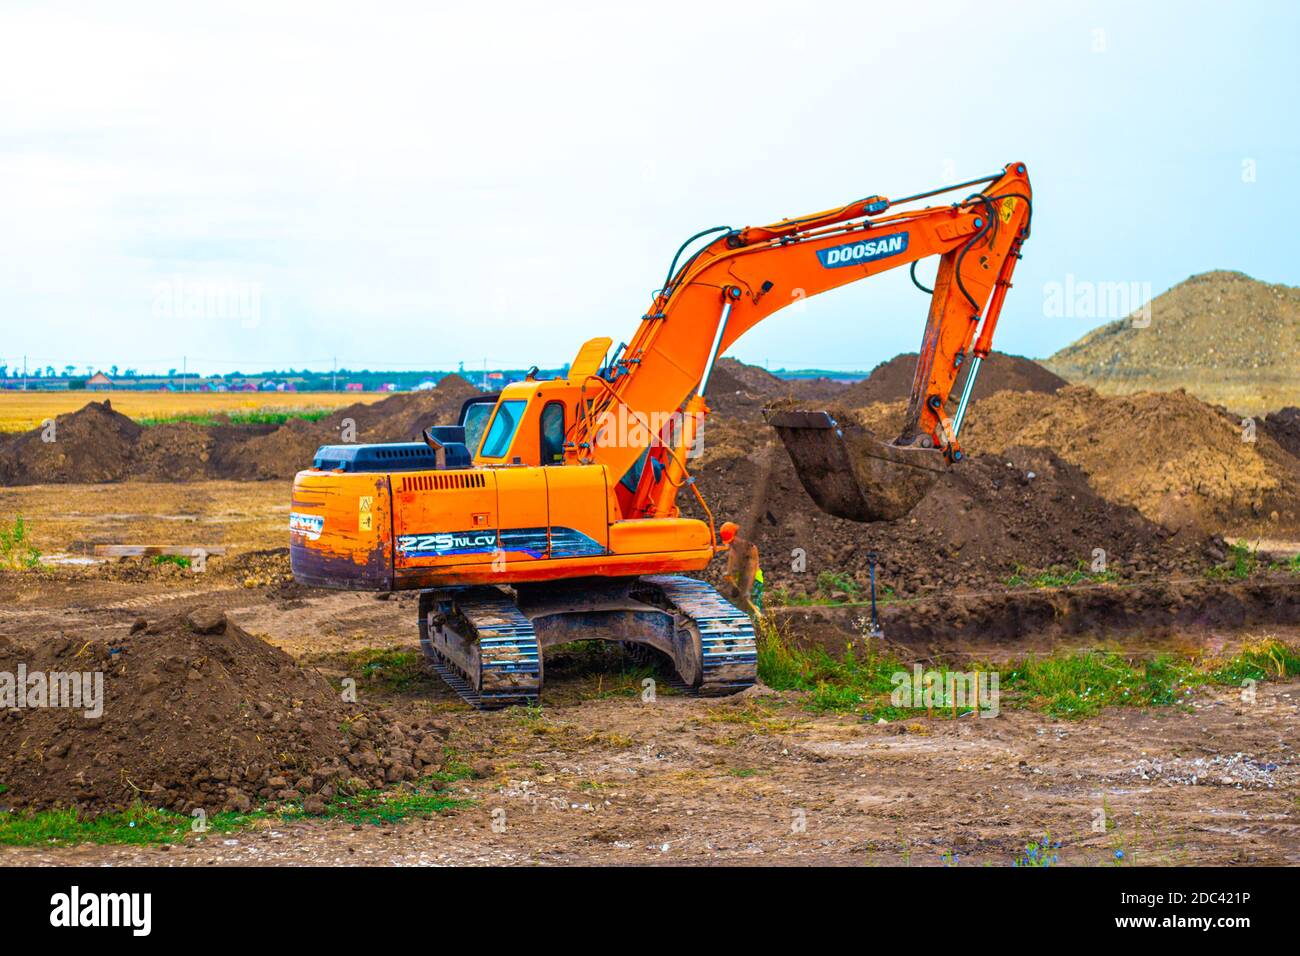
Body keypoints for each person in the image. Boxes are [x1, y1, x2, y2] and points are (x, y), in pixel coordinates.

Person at [719, 521, 763, 615]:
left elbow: (752, 569)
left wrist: (748, 589)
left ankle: (755, 628)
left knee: (752, 612)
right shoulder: (734, 546)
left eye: (732, 541)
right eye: (729, 542)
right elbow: (731, 557)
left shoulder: (750, 548)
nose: (730, 544)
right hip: (741, 580)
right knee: (737, 611)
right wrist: (729, 573)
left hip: (754, 581)